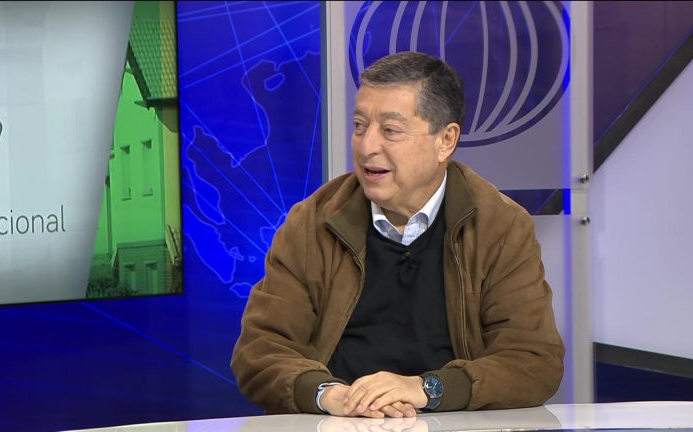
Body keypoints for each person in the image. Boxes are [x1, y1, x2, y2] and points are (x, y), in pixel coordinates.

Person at [231, 51, 564, 419]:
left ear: (446, 140)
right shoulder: (311, 223)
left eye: (390, 130)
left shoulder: (500, 226)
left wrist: (427, 389)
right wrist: (330, 395)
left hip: (448, 423)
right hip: (341, 422)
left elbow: (533, 362)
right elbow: (260, 352)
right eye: (359, 126)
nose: (367, 146)